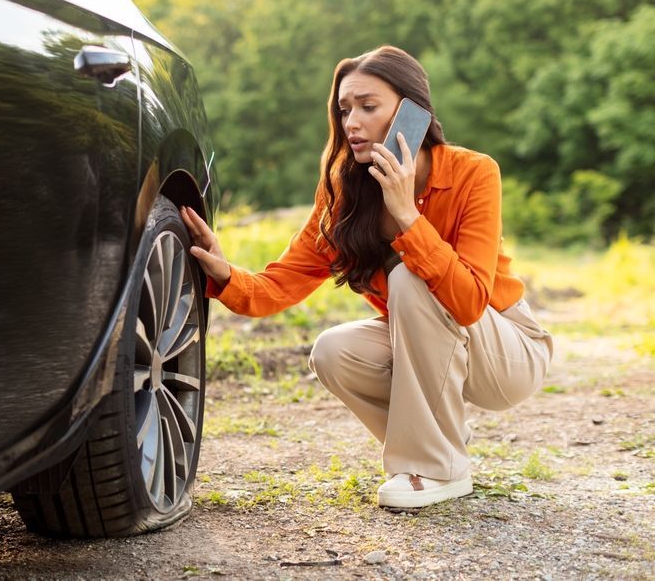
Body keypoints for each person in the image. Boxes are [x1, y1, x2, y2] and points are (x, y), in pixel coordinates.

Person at [180, 45, 553, 509]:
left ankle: (433, 466)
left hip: (506, 351)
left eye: (368, 107)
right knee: (334, 352)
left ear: (412, 113)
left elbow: (470, 302)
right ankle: (442, 452)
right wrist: (224, 270)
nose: (351, 122)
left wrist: (407, 218)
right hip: (428, 344)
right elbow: (281, 283)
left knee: (410, 279)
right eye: (344, 109)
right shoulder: (344, 192)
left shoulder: (474, 173)